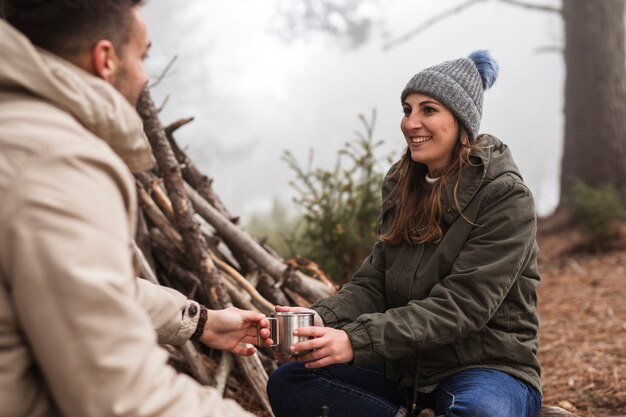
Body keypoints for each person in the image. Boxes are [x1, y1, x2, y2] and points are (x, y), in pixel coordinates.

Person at [0, 1, 270, 416]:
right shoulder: (55, 161)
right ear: (105, 58)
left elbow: (85, 290)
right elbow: (120, 396)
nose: (145, 76)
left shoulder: (18, 132)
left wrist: (203, 322)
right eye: (142, 56)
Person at [267, 50, 542, 417]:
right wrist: (321, 319)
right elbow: (374, 283)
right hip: (405, 366)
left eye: (428, 110)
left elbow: (464, 304)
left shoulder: (505, 196)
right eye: (407, 109)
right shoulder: (402, 185)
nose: (411, 123)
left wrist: (355, 340)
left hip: (486, 365)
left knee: (477, 412)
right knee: (292, 381)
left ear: (462, 120)